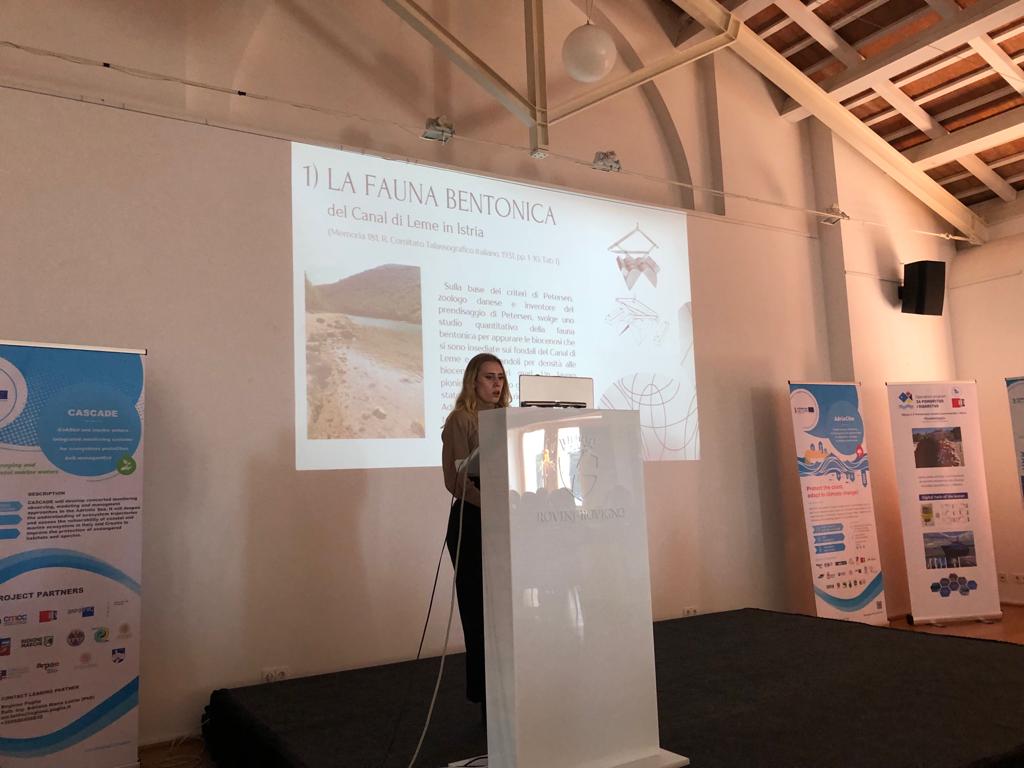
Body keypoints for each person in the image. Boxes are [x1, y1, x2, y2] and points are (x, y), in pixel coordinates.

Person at [441, 352, 511, 715]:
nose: (496, 384)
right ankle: (488, 702)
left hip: (507, 519)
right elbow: (456, 480)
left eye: (500, 377)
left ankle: (511, 693)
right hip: (473, 521)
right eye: (489, 377)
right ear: (473, 381)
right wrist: (494, 506)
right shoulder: (461, 420)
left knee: (507, 613)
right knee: (480, 614)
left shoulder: (509, 419)